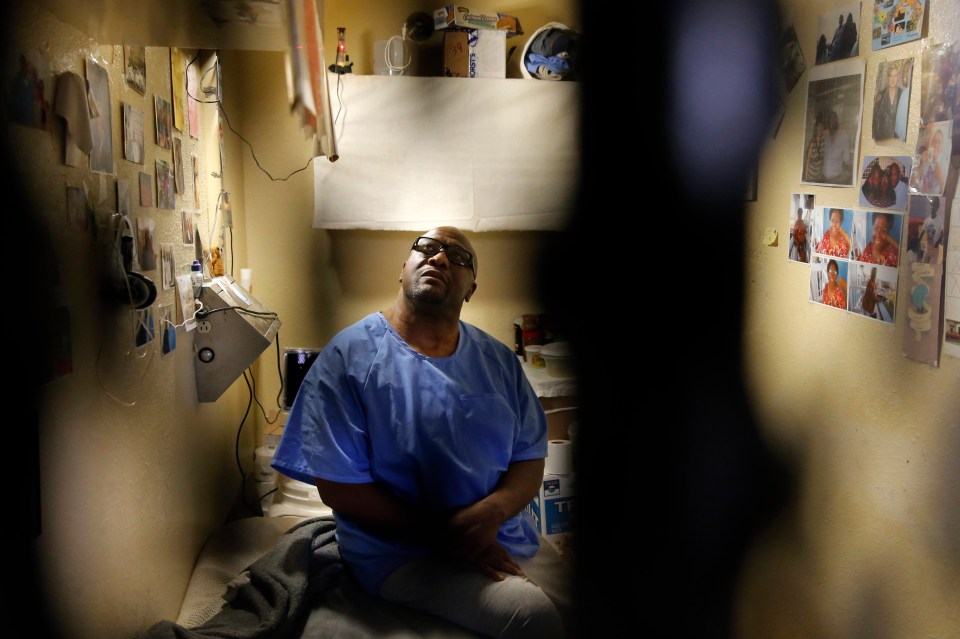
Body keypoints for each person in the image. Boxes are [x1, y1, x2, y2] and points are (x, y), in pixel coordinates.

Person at [271, 226, 567, 638]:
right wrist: (446, 534)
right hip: (400, 551)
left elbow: (529, 456)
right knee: (532, 615)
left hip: (504, 533)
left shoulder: (496, 361)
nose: (440, 258)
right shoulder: (349, 359)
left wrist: (493, 511)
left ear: (471, 290)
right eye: (426, 248)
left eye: (458, 257)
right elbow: (339, 487)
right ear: (403, 268)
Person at [873, 61, 902, 141]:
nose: (893, 79)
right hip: (882, 140)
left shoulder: (902, 94)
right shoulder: (880, 96)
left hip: (898, 140)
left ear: (898, 77)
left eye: (895, 75)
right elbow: (875, 119)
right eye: (890, 76)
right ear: (887, 77)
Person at [821, 109, 850, 184]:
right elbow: (846, 159)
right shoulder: (827, 135)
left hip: (829, 177)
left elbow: (846, 159)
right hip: (828, 177)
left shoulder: (826, 135)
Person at [919, 197, 944, 264]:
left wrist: (938, 242)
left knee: (932, 266)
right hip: (928, 247)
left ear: (937, 207)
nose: (933, 207)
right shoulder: (927, 220)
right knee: (923, 262)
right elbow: (923, 231)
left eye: (935, 205)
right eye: (932, 205)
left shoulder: (940, 220)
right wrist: (918, 240)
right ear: (930, 205)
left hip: (935, 249)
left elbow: (942, 233)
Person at [803, 111, 825, 182]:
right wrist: (806, 179)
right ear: (816, 127)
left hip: (819, 177)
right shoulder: (812, 143)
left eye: (822, 126)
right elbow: (807, 161)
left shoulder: (823, 141)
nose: (820, 128)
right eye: (819, 126)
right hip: (810, 177)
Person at [894, 59, 912, 141]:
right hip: (899, 138)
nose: (904, 74)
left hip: (904, 139)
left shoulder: (909, 92)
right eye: (904, 71)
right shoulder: (905, 91)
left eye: (907, 71)